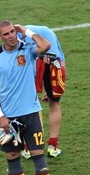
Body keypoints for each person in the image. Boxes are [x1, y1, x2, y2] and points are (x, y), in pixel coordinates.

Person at [0, 20, 54, 175]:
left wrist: (27, 31)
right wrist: (0, 116)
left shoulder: (28, 49)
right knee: (12, 157)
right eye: (6, 34)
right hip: (8, 117)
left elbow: (45, 46)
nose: (11, 36)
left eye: (13, 32)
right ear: (0, 37)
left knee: (37, 154)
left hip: (31, 112)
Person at [18, 25, 66, 158]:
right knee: (54, 103)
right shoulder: (45, 33)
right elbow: (59, 61)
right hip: (51, 62)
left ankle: (28, 147)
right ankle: (52, 146)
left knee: (28, 107)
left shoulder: (12, 41)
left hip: (44, 62)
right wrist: (53, 90)